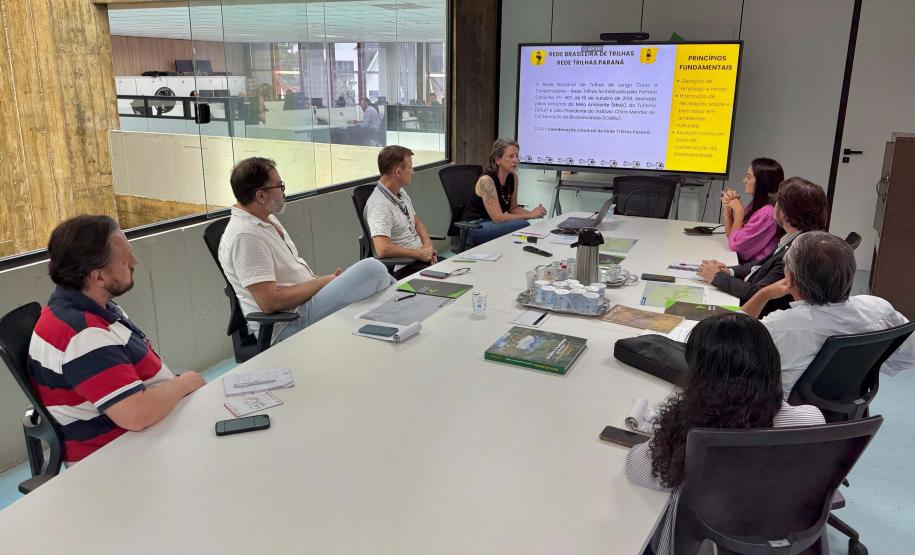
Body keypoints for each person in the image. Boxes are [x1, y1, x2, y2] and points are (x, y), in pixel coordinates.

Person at [625, 313, 824, 555]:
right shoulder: (810, 421)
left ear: (700, 376)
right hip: (775, 539)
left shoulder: (694, 438)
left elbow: (637, 470)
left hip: (706, 545)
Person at [28, 216, 206, 463]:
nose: (134, 262)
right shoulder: (83, 335)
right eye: (125, 260)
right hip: (121, 457)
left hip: (147, 434)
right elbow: (136, 415)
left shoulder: (87, 308)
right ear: (98, 277)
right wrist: (184, 383)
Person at [218, 157, 393, 344]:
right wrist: (323, 282)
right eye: (280, 186)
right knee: (373, 269)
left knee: (381, 282)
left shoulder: (266, 220)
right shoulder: (245, 235)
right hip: (290, 323)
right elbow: (270, 302)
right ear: (261, 196)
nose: (283, 192)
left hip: (306, 305)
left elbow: (290, 277)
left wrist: (322, 282)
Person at [742, 231, 915, 396]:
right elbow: (909, 355)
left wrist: (763, 295)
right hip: (848, 415)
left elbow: (729, 343)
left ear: (790, 279)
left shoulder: (777, 327)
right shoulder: (878, 309)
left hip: (788, 420)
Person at [697, 177, 827, 318]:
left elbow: (757, 294)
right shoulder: (797, 237)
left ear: (784, 213)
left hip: (758, 315)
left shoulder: (796, 253)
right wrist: (729, 271)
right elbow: (763, 263)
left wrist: (717, 277)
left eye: (777, 202)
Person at [365, 146, 442, 279]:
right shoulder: (379, 205)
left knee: (461, 269)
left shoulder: (400, 193)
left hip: (420, 259)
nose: (413, 171)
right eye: (410, 168)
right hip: (405, 267)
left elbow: (417, 223)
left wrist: (427, 247)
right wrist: (420, 254)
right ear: (398, 172)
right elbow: (382, 249)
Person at [463, 139, 547, 247]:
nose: (515, 160)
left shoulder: (513, 177)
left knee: (525, 227)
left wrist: (535, 213)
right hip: (474, 227)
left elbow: (513, 208)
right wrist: (530, 215)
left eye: (517, 156)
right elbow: (498, 218)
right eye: (511, 156)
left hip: (492, 224)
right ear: (498, 160)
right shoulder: (486, 181)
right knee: (523, 224)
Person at [722, 158, 784, 263]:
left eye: (748, 177)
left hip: (752, 271)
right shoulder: (757, 205)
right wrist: (728, 209)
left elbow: (735, 244)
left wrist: (739, 211)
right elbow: (731, 235)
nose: (744, 181)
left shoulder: (768, 213)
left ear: (762, 182)